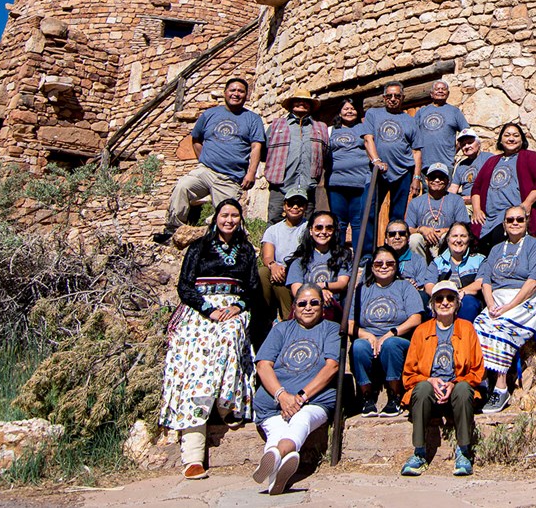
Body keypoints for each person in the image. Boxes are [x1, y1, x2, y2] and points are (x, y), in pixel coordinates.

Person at [159, 199, 262, 479]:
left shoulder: (245, 251)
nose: (229, 220)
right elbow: (185, 286)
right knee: (195, 366)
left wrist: (236, 308)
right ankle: (193, 455)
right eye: (225, 215)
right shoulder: (199, 247)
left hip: (233, 309)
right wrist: (208, 309)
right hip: (200, 309)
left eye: (235, 216)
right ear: (216, 217)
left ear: (240, 220)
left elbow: (252, 289)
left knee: (229, 339)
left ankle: (225, 403)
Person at [250, 284, 340, 495]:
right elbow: (263, 365)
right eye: (302, 303)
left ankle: (276, 453)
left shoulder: (331, 329)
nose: (308, 307)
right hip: (274, 401)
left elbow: (332, 366)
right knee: (277, 429)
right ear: (294, 307)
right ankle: (276, 475)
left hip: (314, 400)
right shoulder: (281, 329)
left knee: (302, 419)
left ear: (322, 306)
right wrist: (282, 396)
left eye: (314, 303)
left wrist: (300, 398)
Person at [400, 280, 485, 477]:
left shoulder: (467, 329)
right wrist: (430, 380)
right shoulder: (421, 331)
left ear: (457, 303)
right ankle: (419, 453)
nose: (444, 302)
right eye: (439, 298)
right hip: (429, 394)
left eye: (450, 298)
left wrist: (453, 383)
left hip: (457, 393)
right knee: (421, 389)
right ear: (432, 304)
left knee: (464, 389)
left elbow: (477, 370)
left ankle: (464, 451)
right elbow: (409, 374)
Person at [162, 78, 265, 237]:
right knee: (182, 186)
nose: (236, 94)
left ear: (246, 95)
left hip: (230, 176)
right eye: (232, 90)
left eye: (240, 91)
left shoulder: (253, 119)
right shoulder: (209, 114)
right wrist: (203, 159)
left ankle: (236, 242)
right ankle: (173, 230)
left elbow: (256, 146)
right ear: (225, 92)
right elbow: (196, 139)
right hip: (206, 170)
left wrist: (251, 173)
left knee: (228, 215)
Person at [473, 205, 536, 414]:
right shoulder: (497, 249)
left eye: (519, 219)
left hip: (526, 300)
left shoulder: (534, 247)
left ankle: (501, 387)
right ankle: (479, 382)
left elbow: (534, 281)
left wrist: (508, 306)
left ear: (526, 222)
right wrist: (490, 304)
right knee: (477, 327)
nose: (515, 223)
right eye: (510, 220)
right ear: (504, 225)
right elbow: (486, 281)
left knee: (502, 329)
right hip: (497, 299)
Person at [348, 246, 424, 417]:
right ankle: (366, 396)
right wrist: (367, 335)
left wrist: (391, 333)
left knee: (391, 344)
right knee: (359, 346)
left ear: (396, 266)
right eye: (378, 263)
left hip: (398, 338)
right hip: (369, 339)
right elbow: (350, 322)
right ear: (372, 267)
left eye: (389, 263)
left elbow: (415, 318)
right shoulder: (362, 290)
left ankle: (395, 395)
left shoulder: (405, 286)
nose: (384, 266)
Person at [470, 122, 536, 253]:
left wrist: (527, 203)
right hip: (488, 220)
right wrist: (476, 209)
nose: (511, 138)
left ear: (522, 140)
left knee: (499, 247)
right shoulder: (492, 161)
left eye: (516, 135)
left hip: (511, 219)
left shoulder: (530, 156)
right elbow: (477, 187)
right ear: (501, 140)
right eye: (507, 135)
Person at [264, 89, 329, 225]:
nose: (302, 104)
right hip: (280, 185)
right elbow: (265, 153)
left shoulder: (320, 128)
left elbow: (326, 155)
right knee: (274, 223)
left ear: (311, 106)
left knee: (305, 226)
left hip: (307, 186)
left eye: (306, 102)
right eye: (297, 101)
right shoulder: (276, 125)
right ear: (291, 104)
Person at [362, 82, 420, 223]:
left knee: (397, 216)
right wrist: (376, 161)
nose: (393, 99)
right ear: (384, 97)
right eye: (389, 96)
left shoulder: (410, 121)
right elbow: (368, 138)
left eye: (397, 96)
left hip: (403, 172)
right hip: (377, 171)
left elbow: (416, 151)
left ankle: (394, 244)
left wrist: (416, 178)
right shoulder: (373, 114)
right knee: (368, 212)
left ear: (402, 98)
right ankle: (368, 246)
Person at [325, 99, 373, 254]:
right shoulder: (331, 130)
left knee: (358, 221)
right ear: (340, 112)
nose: (349, 111)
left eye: (352, 108)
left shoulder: (364, 128)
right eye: (346, 109)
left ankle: (360, 256)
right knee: (339, 222)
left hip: (359, 183)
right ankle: (338, 255)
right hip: (336, 183)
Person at [286, 211, 352, 322]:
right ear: (311, 230)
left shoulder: (342, 255)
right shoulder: (300, 259)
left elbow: (342, 284)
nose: (324, 232)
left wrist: (322, 286)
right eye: (319, 228)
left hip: (333, 306)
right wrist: (319, 292)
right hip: (307, 307)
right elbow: (297, 290)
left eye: (329, 228)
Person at [260, 187, 310, 321]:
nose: (295, 207)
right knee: (263, 272)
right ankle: (264, 314)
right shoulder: (273, 230)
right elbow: (267, 256)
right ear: (284, 206)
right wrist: (273, 265)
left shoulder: (309, 228)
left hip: (298, 270)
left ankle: (289, 318)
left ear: (305, 207)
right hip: (278, 270)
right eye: (291, 203)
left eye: (299, 204)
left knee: (284, 279)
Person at [404, 163, 467, 261]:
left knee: (450, 236)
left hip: (444, 241)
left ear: (448, 181)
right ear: (426, 180)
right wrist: (421, 229)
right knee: (414, 239)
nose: (437, 180)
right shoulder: (416, 202)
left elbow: (464, 226)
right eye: (433, 177)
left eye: (441, 178)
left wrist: (445, 231)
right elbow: (408, 229)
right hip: (424, 242)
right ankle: (420, 270)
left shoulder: (456, 200)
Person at [427, 222, 485, 322]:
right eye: (454, 236)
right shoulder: (437, 262)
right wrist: (445, 296)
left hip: (466, 300)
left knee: (468, 303)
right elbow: (429, 285)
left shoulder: (479, 259)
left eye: (463, 236)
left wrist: (459, 293)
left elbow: (480, 283)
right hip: (442, 299)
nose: (458, 240)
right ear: (448, 239)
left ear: (469, 239)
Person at [412, 81, 469, 175]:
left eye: (443, 89)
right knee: (427, 190)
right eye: (437, 89)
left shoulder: (454, 112)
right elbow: (412, 134)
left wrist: (454, 151)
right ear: (431, 94)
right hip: (424, 163)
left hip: (446, 162)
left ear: (448, 93)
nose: (440, 91)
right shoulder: (422, 112)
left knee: (445, 189)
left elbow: (466, 133)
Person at [384, 218, 433, 295]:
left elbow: (422, 289)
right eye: (392, 234)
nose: (397, 237)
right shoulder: (377, 260)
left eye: (402, 234)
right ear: (386, 240)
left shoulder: (419, 260)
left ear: (408, 238)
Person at [448, 129, 490, 208]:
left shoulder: (489, 159)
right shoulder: (461, 165)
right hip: (464, 203)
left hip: (484, 201)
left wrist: (472, 198)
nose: (467, 146)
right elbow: (453, 188)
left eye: (470, 143)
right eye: (463, 144)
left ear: (478, 143)